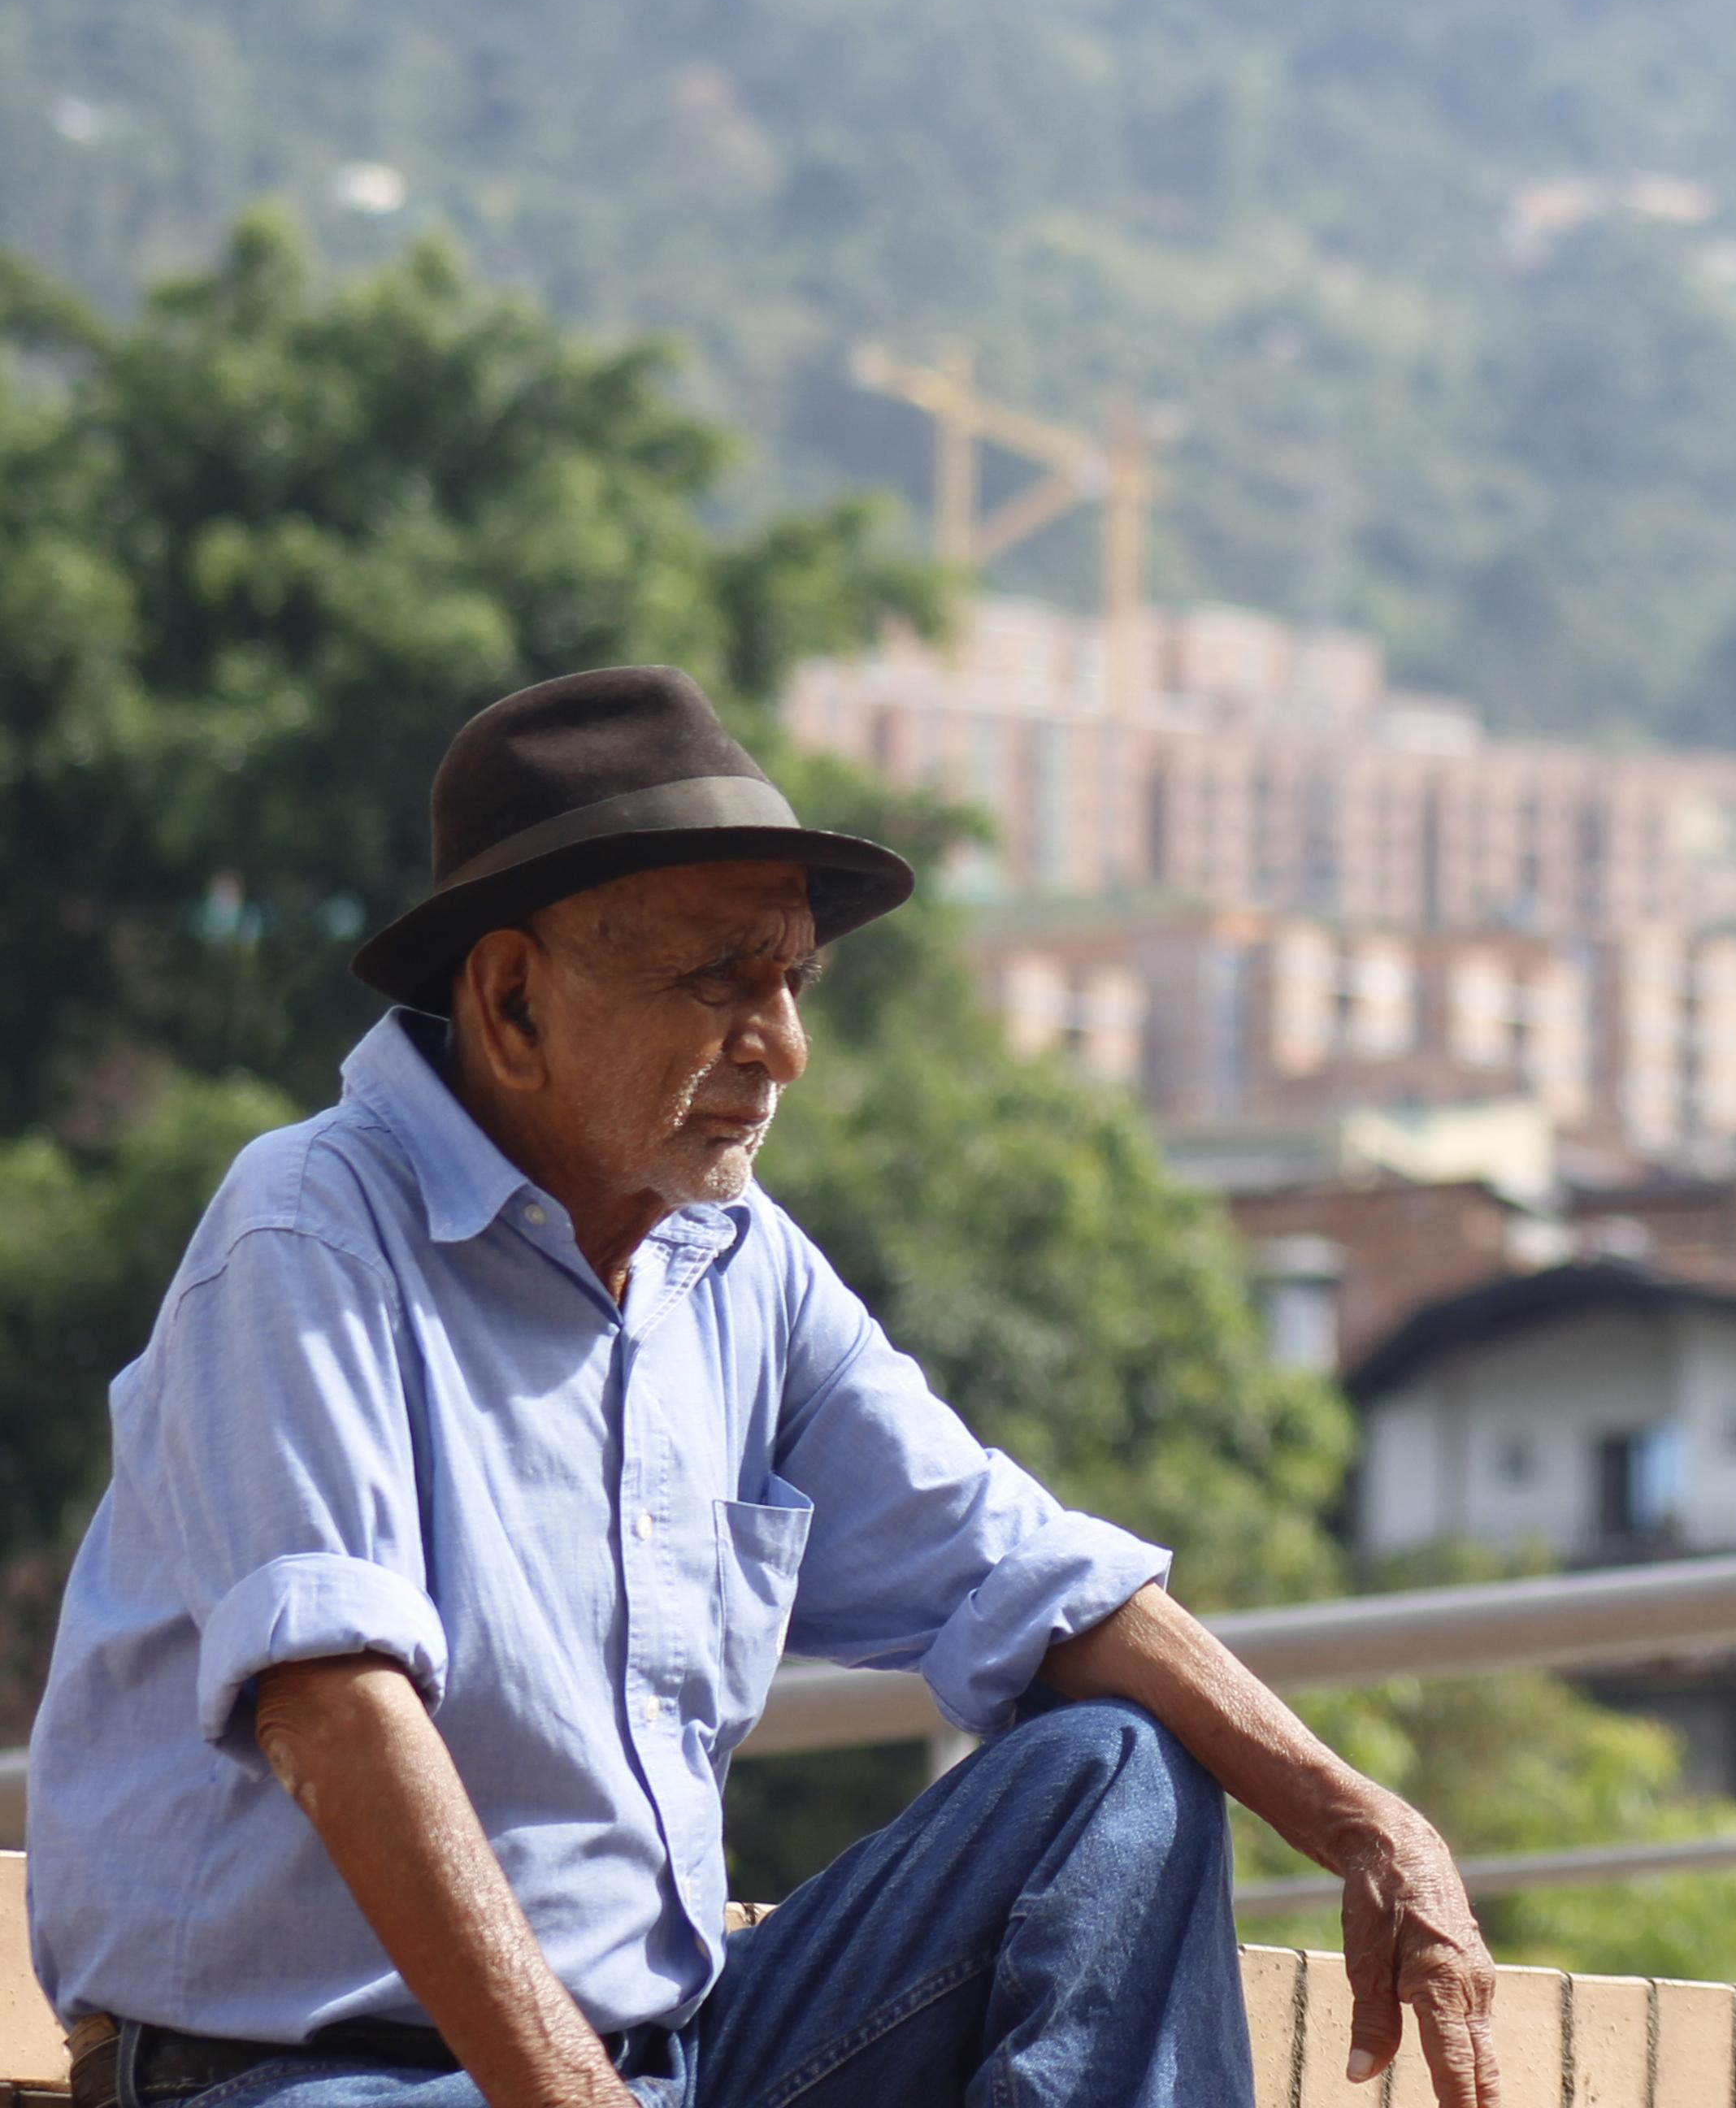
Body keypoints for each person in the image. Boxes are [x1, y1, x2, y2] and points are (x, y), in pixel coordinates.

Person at [25, 667, 1498, 2108]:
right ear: (514, 999)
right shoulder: (311, 1225)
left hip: (675, 2061)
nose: (781, 1043)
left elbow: (1024, 1574)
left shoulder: (738, 1269)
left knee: (1115, 1775)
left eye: (791, 979)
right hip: (312, 2074)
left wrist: (1361, 1819)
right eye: (715, 980)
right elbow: (335, 1716)